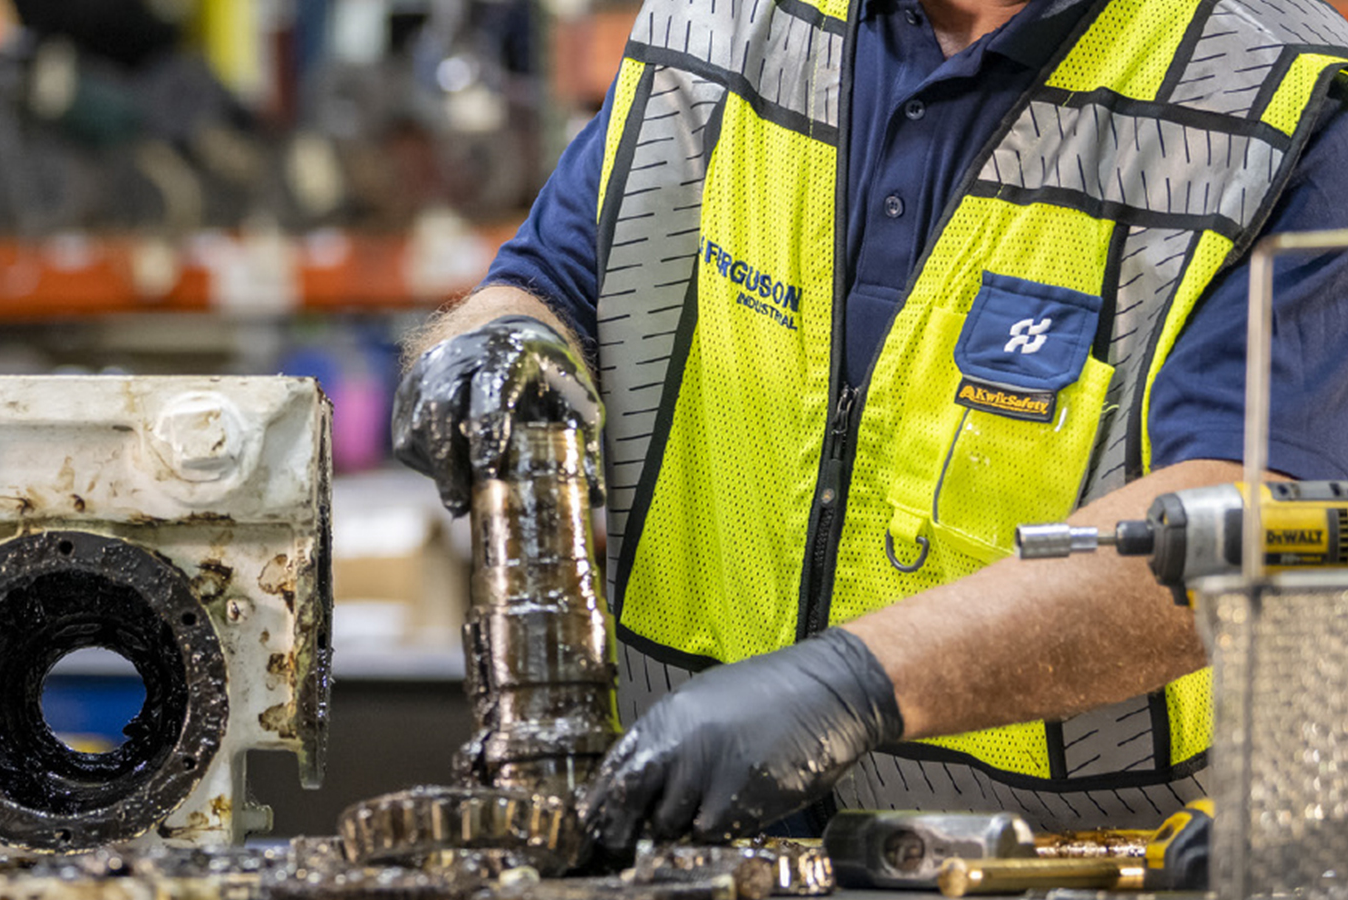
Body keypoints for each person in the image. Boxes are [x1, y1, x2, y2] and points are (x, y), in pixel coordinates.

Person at [391, 0, 1348, 852]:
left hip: (1067, 869)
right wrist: (486, 344)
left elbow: (1246, 532)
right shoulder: (718, 25)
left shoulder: (1277, 102)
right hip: (693, 850)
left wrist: (856, 686)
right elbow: (551, 283)